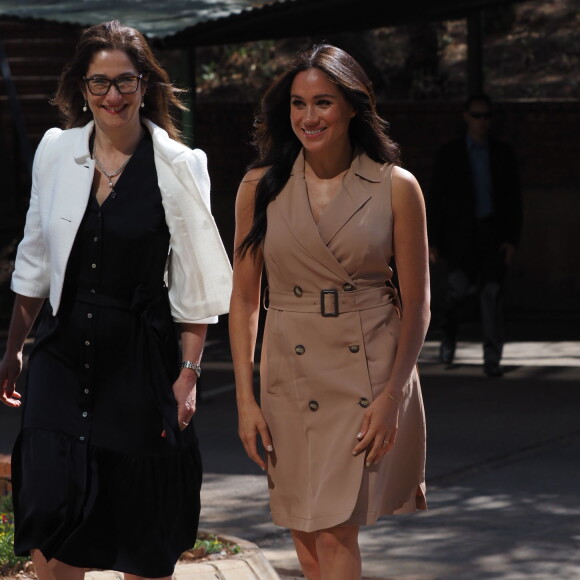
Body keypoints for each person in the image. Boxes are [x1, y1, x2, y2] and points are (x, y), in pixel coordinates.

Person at [0, 20, 232, 580]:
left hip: (140, 359)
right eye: (99, 83)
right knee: (55, 510)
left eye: (125, 82)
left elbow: (195, 280)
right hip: (59, 354)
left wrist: (190, 372)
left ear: (145, 85)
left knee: (144, 525)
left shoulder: (180, 164)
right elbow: (35, 258)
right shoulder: (56, 152)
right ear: (82, 89)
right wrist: (13, 349)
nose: (112, 96)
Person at [229, 44, 429, 580]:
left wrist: (392, 396)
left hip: (365, 369)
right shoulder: (259, 186)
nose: (308, 117)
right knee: (306, 531)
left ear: (352, 107)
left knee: (337, 528)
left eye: (323, 103)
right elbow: (245, 298)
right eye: (298, 104)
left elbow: (418, 305)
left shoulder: (396, 186)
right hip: (286, 372)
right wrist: (245, 400)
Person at [427, 94, 522, 377]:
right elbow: (436, 199)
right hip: (459, 236)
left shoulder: (502, 153)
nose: (482, 121)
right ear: (466, 116)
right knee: (458, 292)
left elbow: (513, 200)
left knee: (491, 292)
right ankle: (448, 336)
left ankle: (492, 358)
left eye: (486, 116)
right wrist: (432, 240)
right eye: (477, 115)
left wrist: (512, 239)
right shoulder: (450, 154)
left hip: (492, 233)